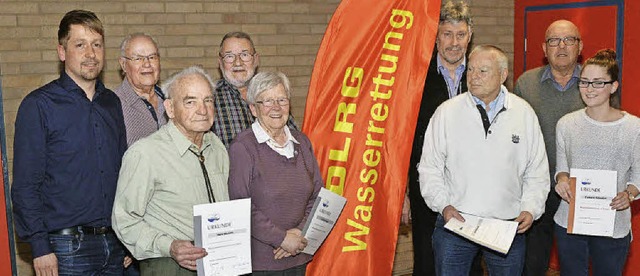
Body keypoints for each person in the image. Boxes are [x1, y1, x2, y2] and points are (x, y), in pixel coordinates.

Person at [11, 9, 128, 275]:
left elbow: (124, 173)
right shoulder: (38, 105)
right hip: (65, 248)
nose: (91, 53)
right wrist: (40, 247)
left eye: (97, 45)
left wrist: (128, 238)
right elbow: (25, 185)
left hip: (115, 244)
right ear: (62, 52)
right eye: (80, 45)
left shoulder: (112, 103)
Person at [418, 45, 550, 275]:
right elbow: (430, 168)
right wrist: (444, 206)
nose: (473, 77)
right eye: (471, 70)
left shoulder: (524, 113)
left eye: (483, 71)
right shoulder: (446, 112)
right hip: (455, 225)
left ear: (503, 75)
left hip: (507, 226)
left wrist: (531, 208)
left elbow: (537, 171)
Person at [112, 66, 230, 276]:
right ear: (170, 108)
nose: (202, 110)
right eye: (190, 101)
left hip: (218, 263)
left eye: (208, 100)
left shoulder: (217, 148)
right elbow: (125, 220)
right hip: (169, 265)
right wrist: (169, 245)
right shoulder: (145, 153)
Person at [404, 2, 477, 275]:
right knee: (427, 259)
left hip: (474, 190)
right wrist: (402, 195)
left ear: (470, 36)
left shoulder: (483, 75)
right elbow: (402, 140)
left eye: (460, 35)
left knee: (469, 262)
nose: (454, 43)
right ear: (435, 37)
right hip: (425, 188)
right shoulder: (415, 78)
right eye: (447, 34)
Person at [553, 49, 640, 276]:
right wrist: (561, 180)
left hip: (613, 223)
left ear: (613, 86)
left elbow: (638, 177)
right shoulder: (566, 124)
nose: (589, 89)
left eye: (598, 83)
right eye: (584, 82)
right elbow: (562, 168)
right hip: (570, 221)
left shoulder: (634, 128)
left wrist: (629, 194)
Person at [228, 71, 322, 275]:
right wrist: (281, 239)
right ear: (253, 108)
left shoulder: (302, 142)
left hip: (299, 253)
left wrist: (297, 234)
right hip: (262, 263)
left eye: (281, 99)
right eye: (267, 101)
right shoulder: (243, 148)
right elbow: (241, 206)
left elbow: (317, 196)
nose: (276, 108)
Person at [513, 19, 586, 276]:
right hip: (536, 190)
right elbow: (514, 137)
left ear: (580, 46)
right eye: (554, 40)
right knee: (531, 265)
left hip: (580, 193)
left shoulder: (595, 82)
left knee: (576, 266)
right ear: (544, 48)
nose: (562, 46)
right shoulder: (525, 83)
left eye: (569, 40)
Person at [213, 31, 296, 147]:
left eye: (245, 55)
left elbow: (294, 139)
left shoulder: (274, 94)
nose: (238, 62)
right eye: (229, 56)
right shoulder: (209, 99)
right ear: (220, 62)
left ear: (256, 60)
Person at [115, 33, 166, 147]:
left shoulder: (171, 99)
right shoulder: (113, 105)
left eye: (152, 57)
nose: (147, 64)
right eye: (138, 58)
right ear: (123, 65)